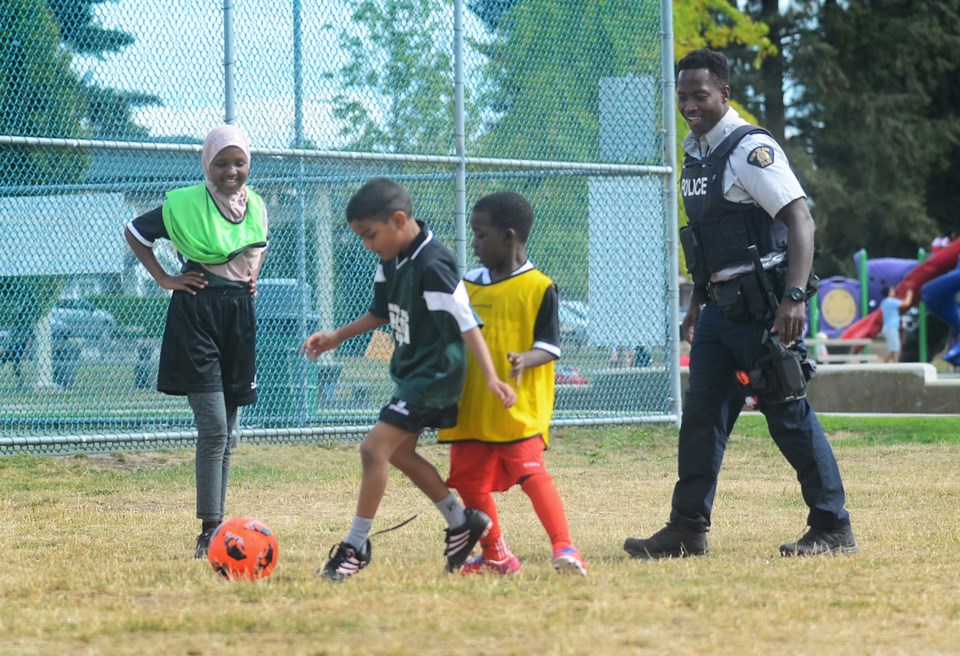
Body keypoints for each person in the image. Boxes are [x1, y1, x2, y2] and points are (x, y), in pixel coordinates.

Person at [624, 49, 856, 559]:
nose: (689, 104)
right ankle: (687, 528)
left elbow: (800, 220)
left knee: (788, 414)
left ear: (724, 94)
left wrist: (794, 298)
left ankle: (832, 527)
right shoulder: (696, 152)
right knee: (701, 419)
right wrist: (696, 306)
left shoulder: (748, 149)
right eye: (682, 96)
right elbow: (707, 240)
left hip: (763, 309)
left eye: (700, 95)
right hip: (717, 312)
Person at [301, 177, 517, 582]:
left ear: (399, 220)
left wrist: (490, 378)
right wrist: (335, 337)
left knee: (373, 449)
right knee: (398, 453)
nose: (368, 244)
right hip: (413, 373)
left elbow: (467, 323)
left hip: (435, 377)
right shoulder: (391, 258)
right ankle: (460, 523)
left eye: (370, 235)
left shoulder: (433, 264)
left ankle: (356, 545)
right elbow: (381, 313)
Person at [124, 124, 268, 559]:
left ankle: (219, 524)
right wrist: (166, 278)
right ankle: (209, 530)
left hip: (238, 317)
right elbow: (135, 231)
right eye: (221, 162)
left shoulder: (256, 205)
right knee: (214, 429)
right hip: (197, 313)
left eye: (239, 162)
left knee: (231, 432)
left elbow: (254, 248)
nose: (231, 170)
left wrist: (251, 277)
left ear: (248, 164)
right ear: (207, 164)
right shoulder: (185, 203)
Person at [437, 191, 586, 577]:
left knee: (531, 473)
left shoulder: (540, 287)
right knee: (469, 480)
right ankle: (496, 555)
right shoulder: (465, 285)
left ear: (509, 236)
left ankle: (564, 547)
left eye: (480, 234)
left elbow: (549, 347)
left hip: (517, 405)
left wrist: (524, 359)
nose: (474, 243)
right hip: (469, 405)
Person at [880, 286, 913, 362]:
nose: (894, 291)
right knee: (893, 348)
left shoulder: (885, 302)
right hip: (891, 328)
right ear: (888, 293)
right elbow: (906, 303)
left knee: (893, 348)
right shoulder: (890, 301)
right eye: (892, 290)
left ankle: (895, 365)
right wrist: (909, 294)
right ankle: (883, 365)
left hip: (889, 328)